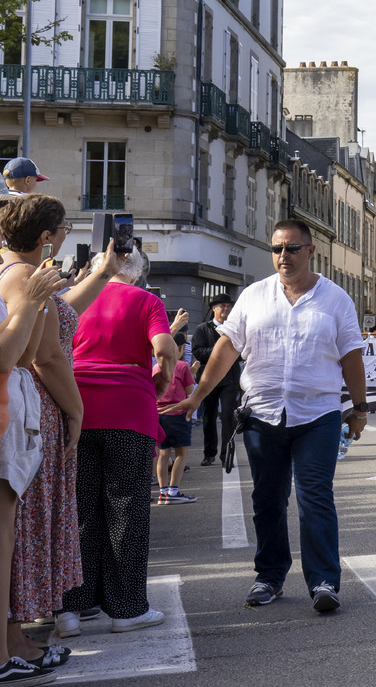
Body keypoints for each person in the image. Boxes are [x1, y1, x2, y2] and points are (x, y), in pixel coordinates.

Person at [163, 219, 368, 613]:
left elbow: (351, 356)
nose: (283, 257)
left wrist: (358, 410)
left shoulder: (335, 298)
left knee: (315, 498)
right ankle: (270, 577)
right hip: (262, 415)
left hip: (318, 414)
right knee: (268, 500)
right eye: (277, 249)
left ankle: (324, 580)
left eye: (292, 248)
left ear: (310, 251)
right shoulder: (255, 296)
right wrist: (196, 396)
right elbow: (227, 349)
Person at [55, 243, 174, 635]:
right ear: (137, 271)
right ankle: (126, 608)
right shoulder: (145, 301)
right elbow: (164, 347)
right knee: (127, 510)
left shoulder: (74, 299)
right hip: (129, 411)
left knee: (78, 509)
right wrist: (162, 377)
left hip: (78, 408)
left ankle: (71, 608)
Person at [3, 197, 92, 674]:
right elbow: (44, 355)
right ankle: (12, 637)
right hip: (33, 408)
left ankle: (15, 635)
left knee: (20, 530)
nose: (63, 237)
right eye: (61, 229)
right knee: (22, 530)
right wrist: (76, 410)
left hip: (27, 404)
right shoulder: (24, 277)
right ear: (46, 236)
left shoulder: (12, 273)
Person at [191, 295, 243, 466]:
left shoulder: (235, 328)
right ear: (213, 308)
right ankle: (209, 453)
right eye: (222, 306)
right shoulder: (202, 328)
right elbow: (198, 352)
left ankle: (226, 454)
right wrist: (220, 350)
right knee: (209, 416)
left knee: (229, 416)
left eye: (229, 306)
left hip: (230, 379)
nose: (226, 310)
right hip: (209, 378)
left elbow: (241, 352)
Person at [153, 348, 197, 505]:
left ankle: (163, 492)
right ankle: (173, 491)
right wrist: (192, 373)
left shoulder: (156, 367)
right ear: (178, 349)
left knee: (164, 454)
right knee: (181, 453)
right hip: (177, 413)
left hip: (159, 414)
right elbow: (190, 390)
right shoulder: (182, 366)